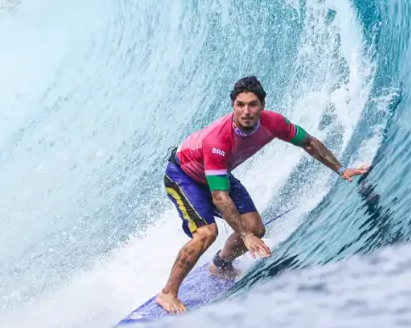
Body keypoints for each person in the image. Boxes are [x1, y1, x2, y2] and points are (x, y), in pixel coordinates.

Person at [157, 76, 370, 313]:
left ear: (262, 105)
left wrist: (341, 169)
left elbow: (308, 142)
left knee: (256, 228)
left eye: (252, 104)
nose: (246, 111)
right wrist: (245, 236)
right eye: (240, 104)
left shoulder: (273, 122)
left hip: (218, 175)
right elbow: (219, 197)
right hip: (184, 176)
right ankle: (168, 293)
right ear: (233, 105)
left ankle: (220, 265)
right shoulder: (218, 139)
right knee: (207, 233)